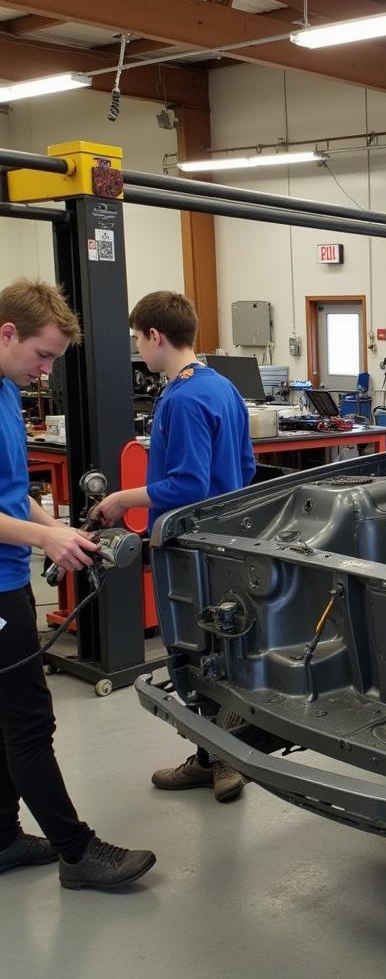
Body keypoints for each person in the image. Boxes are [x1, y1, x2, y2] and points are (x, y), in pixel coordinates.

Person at [0, 278, 156, 890]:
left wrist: (58, 531)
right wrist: (42, 540)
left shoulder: (9, 391)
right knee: (29, 721)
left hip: (10, 570)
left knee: (5, 715)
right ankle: (77, 852)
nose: (45, 371)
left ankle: (4, 837)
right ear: (6, 332)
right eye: (42, 355)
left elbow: (12, 496)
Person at [92, 290, 255, 804]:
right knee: (222, 645)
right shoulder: (221, 387)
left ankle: (224, 756)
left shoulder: (182, 399)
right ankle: (213, 756)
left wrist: (121, 499)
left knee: (193, 651)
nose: (139, 349)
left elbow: (187, 484)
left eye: (138, 339)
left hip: (189, 548)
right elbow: (246, 467)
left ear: (154, 336)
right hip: (224, 540)